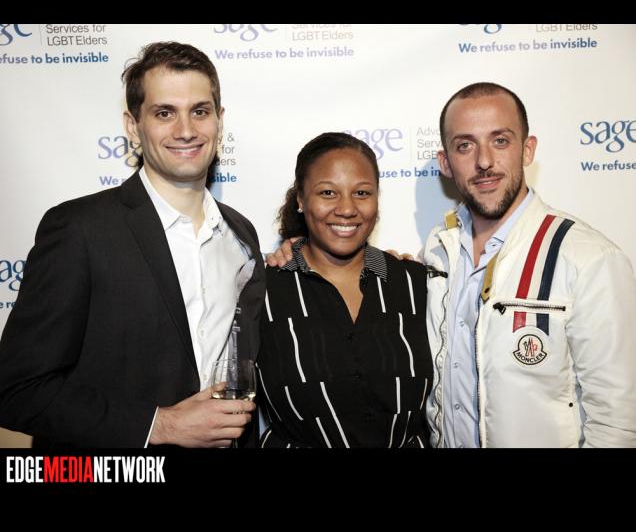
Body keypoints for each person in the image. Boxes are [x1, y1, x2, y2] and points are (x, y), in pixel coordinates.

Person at [0, 41, 264, 448]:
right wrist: (160, 426)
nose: (186, 130)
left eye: (200, 111)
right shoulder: (79, 229)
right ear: (132, 125)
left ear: (219, 119)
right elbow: (16, 389)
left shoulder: (241, 236)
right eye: (164, 113)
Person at [420, 81, 636, 447]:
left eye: (500, 140)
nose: (484, 161)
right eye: (465, 145)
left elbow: (617, 422)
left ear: (527, 149)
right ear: (445, 163)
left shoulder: (589, 259)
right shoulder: (438, 251)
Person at [257, 132, 432, 448]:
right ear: (300, 199)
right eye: (328, 192)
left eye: (362, 193)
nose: (347, 209)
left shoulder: (417, 284)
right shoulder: (260, 291)